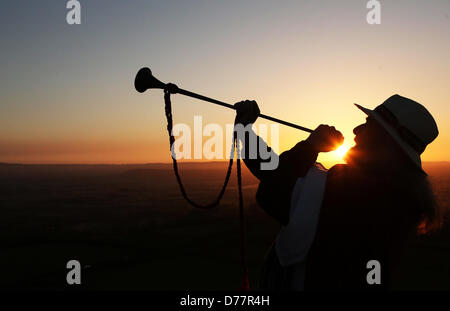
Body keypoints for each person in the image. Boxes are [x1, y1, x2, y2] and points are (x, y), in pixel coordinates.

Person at [233, 94, 441, 290]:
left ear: (385, 141)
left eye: (369, 125)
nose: (356, 130)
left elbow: (274, 189)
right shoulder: (401, 199)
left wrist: (311, 145)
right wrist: (246, 132)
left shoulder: (355, 191)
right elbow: (281, 175)